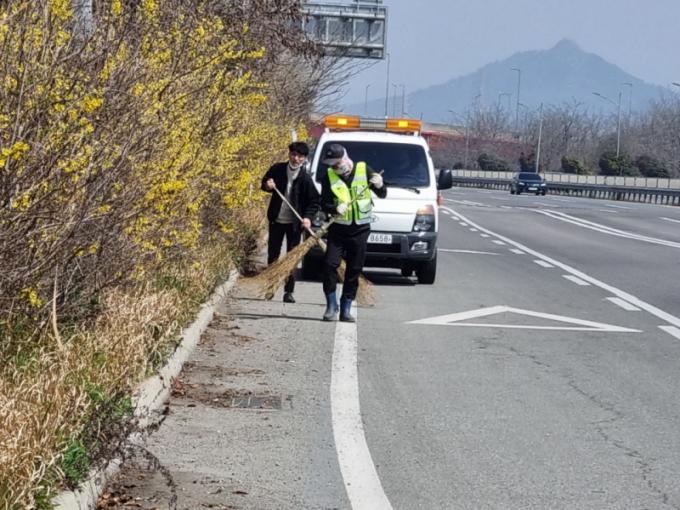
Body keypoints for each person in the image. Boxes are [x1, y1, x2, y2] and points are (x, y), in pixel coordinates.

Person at [319, 143, 387, 322]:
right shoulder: (328, 177)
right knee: (330, 265)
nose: (335, 167)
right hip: (338, 229)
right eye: (332, 164)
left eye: (337, 163)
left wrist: (379, 184)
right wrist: (334, 208)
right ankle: (331, 306)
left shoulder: (364, 170)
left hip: (360, 229)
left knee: (354, 269)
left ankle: (346, 307)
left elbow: (382, 193)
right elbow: (324, 203)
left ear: (345, 158)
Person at [261, 141, 319, 303]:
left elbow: (314, 201)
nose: (296, 159)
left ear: (304, 159)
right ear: (289, 154)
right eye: (293, 155)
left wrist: (307, 218)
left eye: (300, 156)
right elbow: (264, 183)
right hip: (276, 220)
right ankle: (270, 287)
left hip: (295, 223)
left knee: (292, 257)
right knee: (273, 254)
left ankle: (289, 291)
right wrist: (268, 185)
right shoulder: (277, 169)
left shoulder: (305, 179)